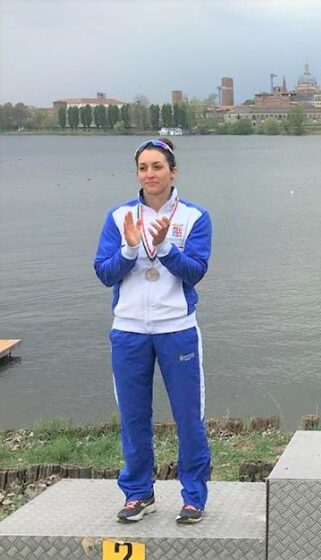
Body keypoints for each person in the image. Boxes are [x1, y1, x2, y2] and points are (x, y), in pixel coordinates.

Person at [94, 138, 212, 524]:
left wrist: (164, 248)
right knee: (133, 417)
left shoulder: (195, 217)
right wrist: (129, 250)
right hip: (128, 331)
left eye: (157, 166)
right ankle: (138, 493)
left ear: (172, 171)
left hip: (176, 328)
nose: (150, 174)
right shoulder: (119, 217)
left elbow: (195, 272)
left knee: (188, 416)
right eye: (143, 167)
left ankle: (193, 496)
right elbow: (104, 272)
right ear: (137, 173)